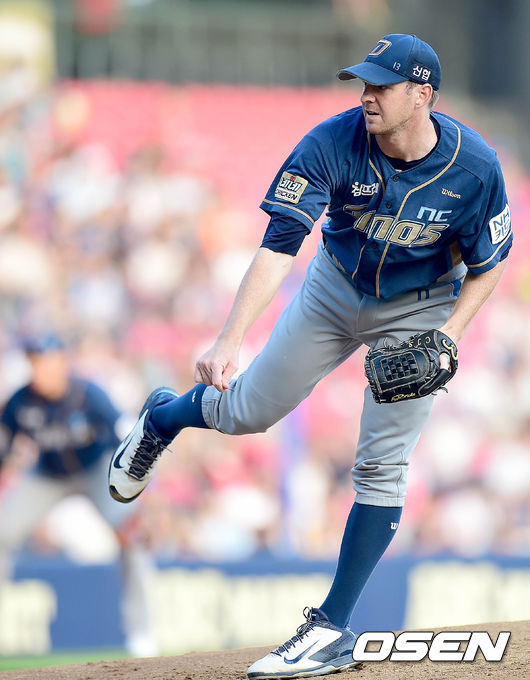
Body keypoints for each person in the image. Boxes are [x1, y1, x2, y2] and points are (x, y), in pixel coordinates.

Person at [109, 33, 512, 678]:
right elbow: (279, 245)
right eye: (365, 82)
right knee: (245, 412)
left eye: (383, 85)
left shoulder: (476, 166)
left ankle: (330, 628)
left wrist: (450, 336)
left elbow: (489, 263)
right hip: (335, 285)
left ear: (422, 95)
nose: (368, 95)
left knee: (383, 467)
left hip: (420, 306)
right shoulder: (331, 142)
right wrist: (230, 338)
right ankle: (162, 419)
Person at [0, 333, 158, 658]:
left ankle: (141, 632)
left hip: (97, 470)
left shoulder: (89, 395)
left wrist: (139, 493)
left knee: (133, 535)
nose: (41, 369)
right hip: (47, 474)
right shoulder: (20, 402)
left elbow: (129, 439)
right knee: (3, 531)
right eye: (35, 362)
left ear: (63, 362)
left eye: (47, 361)